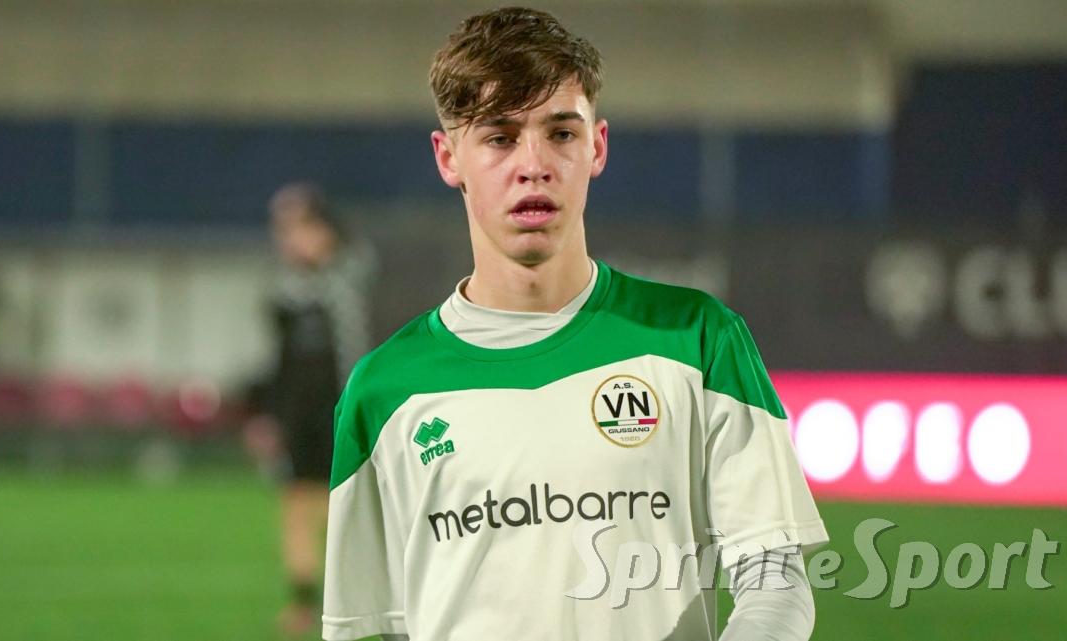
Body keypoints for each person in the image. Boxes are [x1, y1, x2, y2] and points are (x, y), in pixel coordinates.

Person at [322, 7, 827, 641]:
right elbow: (369, 627)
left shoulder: (698, 340)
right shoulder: (382, 392)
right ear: (449, 158)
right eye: (500, 137)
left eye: (561, 133)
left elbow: (775, 581)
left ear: (597, 147)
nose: (533, 164)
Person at [243, 183, 375, 637]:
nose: (290, 240)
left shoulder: (348, 277)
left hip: (343, 409)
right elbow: (278, 360)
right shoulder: (282, 292)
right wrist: (267, 417)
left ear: (325, 230)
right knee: (297, 503)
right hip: (298, 416)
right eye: (283, 230)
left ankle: (365, 597)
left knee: (347, 505)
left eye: (300, 228)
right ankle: (302, 602)